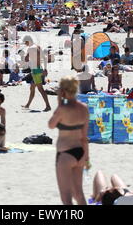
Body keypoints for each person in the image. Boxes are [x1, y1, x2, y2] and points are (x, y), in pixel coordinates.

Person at [48, 76, 89, 205]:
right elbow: (84, 136)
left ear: (63, 91)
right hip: (80, 152)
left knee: (66, 196)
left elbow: (51, 125)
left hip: (65, 153)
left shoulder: (62, 109)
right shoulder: (84, 108)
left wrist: (59, 102)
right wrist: (86, 157)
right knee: (79, 194)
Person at [22, 35, 51, 111]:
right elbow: (44, 58)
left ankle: (48, 106)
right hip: (39, 69)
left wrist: (26, 55)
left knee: (40, 89)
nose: (25, 44)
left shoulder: (30, 48)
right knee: (32, 87)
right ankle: (27, 105)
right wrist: (45, 69)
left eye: (25, 42)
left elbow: (26, 59)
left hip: (36, 71)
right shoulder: (38, 47)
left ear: (28, 41)